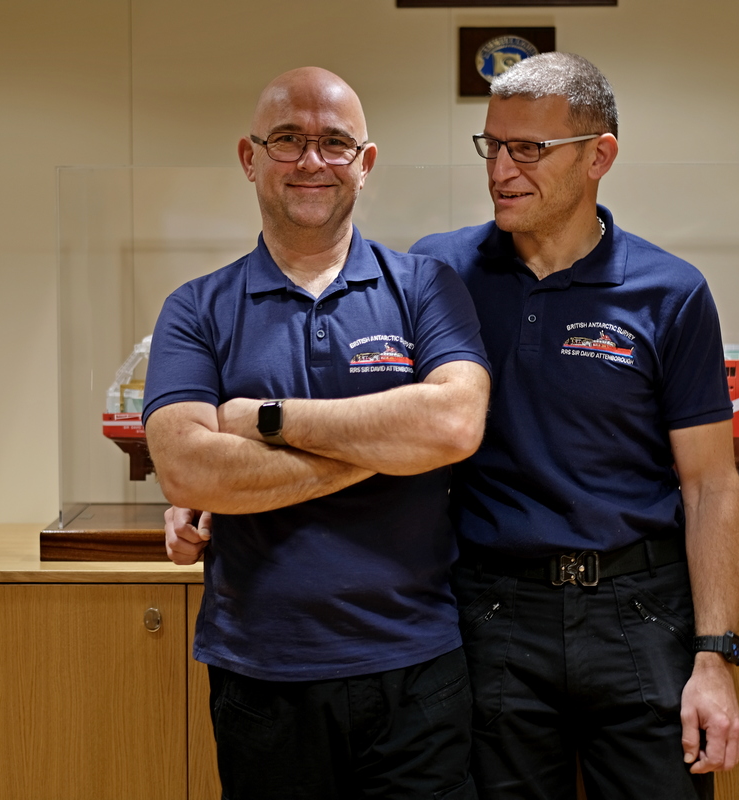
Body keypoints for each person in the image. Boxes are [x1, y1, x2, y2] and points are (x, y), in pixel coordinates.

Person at [143, 67, 491, 800]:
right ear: (250, 157)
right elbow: (187, 471)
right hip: (262, 676)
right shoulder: (196, 310)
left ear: (364, 164)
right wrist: (391, 448)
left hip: (417, 673)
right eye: (288, 140)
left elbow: (455, 423)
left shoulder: (425, 288)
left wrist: (263, 422)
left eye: (334, 142)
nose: (311, 160)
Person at [409, 52, 739, 800]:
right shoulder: (438, 274)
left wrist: (714, 656)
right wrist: (222, 472)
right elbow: (362, 404)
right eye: (491, 145)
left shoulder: (673, 292)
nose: (501, 169)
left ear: (600, 157)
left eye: (528, 149)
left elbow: (711, 484)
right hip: (495, 614)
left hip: (642, 615)